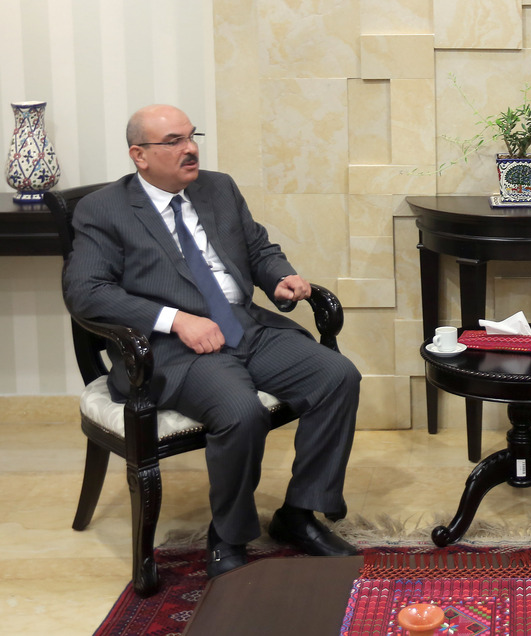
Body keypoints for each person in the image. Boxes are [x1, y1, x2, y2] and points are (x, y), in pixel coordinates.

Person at [63, 104, 362, 578]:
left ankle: (299, 514)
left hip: (245, 325)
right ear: (139, 155)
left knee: (337, 375)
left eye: (192, 137)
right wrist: (175, 319)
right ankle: (228, 534)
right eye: (174, 141)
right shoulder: (104, 209)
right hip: (172, 347)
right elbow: (86, 291)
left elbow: (258, 248)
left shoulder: (218, 187)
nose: (191, 149)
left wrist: (280, 277)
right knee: (241, 411)